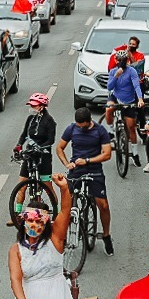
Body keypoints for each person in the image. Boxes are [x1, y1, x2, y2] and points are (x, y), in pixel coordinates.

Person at [56, 107, 115, 256]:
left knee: (103, 205)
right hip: (76, 170)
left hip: (94, 170)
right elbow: (60, 148)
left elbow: (107, 154)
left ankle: (106, 235)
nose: (80, 129)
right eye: (78, 126)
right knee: (66, 204)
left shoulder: (100, 131)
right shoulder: (72, 128)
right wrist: (66, 164)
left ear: (89, 122)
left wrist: (88, 160)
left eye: (82, 126)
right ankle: (62, 236)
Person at [7, 93, 57, 226]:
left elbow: (51, 139)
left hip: (43, 156)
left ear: (41, 107)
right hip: (29, 155)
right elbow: (24, 134)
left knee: (47, 186)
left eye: (34, 106)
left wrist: (40, 147)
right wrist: (18, 146)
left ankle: (57, 212)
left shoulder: (49, 121)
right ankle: (17, 215)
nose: (32, 108)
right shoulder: (30, 119)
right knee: (22, 185)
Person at [105, 50, 145, 167]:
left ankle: (135, 153)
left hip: (129, 100)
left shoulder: (132, 71)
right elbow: (109, 87)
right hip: (116, 97)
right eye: (119, 60)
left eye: (123, 60)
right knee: (108, 109)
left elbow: (136, 85)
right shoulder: (113, 71)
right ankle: (111, 131)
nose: (120, 62)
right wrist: (116, 76)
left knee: (131, 126)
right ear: (116, 60)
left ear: (126, 61)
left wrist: (140, 99)